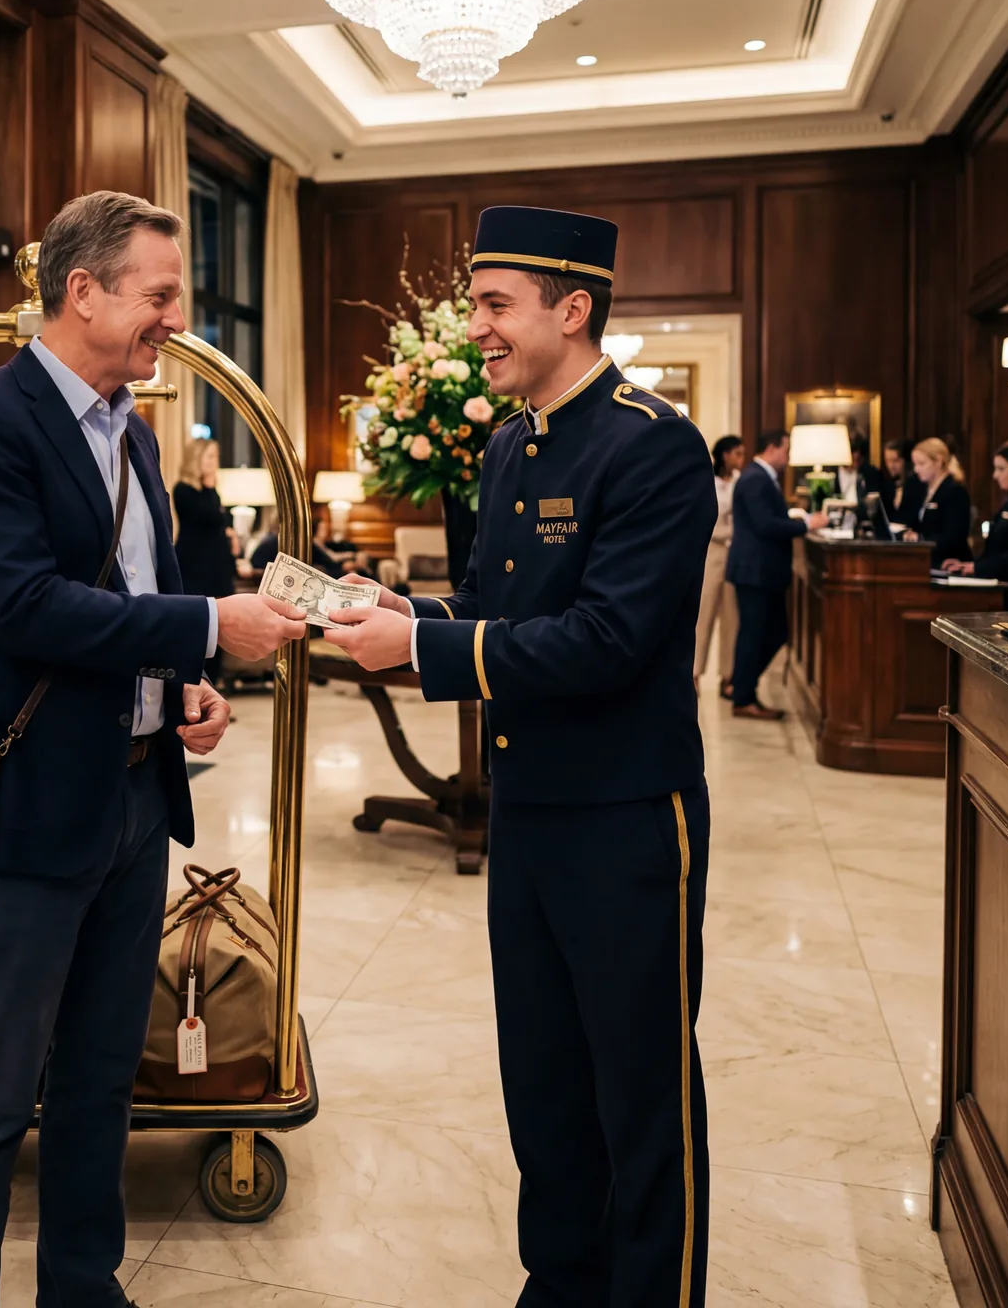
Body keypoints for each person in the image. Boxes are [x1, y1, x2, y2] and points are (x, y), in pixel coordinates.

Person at [322, 204, 718, 1307]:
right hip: (529, 807)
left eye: (496, 307)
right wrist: (405, 611)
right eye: (475, 308)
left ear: (572, 307)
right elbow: (502, 604)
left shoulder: (651, 443)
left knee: (638, 1094)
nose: (477, 331)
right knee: (542, 1080)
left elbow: (607, 637)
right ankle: (561, 1283)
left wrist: (428, 645)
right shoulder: (507, 440)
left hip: (627, 815)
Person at [0, 190, 305, 1308]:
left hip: (135, 805)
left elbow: (144, 593)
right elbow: (25, 607)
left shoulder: (132, 429)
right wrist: (203, 627)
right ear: (80, 290)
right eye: (159, 295)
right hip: (25, 808)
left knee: (98, 1081)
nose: (173, 319)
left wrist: (188, 680)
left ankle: (82, 1287)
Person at [726, 430, 828, 720]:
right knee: (756, 635)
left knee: (771, 632)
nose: (789, 455)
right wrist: (806, 524)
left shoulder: (759, 476)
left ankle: (742, 686)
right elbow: (765, 525)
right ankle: (743, 695)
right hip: (755, 570)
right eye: (786, 449)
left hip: (760, 570)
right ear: (772, 448)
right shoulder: (756, 477)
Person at [941, 440, 1008, 609]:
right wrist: (971, 564)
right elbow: (996, 548)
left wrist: (978, 568)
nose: (995, 475)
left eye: (1001, 469)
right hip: (1002, 587)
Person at [694, 435, 743, 700]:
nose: (740, 459)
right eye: (737, 453)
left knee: (732, 618)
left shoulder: (740, 483)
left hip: (734, 554)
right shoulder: (708, 482)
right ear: (724, 454)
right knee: (704, 616)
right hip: (712, 554)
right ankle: (694, 674)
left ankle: (728, 675)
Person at [172, 438, 238, 598]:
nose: (215, 461)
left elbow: (222, 519)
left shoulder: (211, 490)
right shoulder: (183, 489)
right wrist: (210, 485)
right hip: (195, 561)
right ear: (196, 458)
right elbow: (209, 516)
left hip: (217, 561)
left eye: (216, 456)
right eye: (210, 456)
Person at [902, 436, 972, 566]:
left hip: (949, 562)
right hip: (928, 561)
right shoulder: (922, 490)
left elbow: (955, 535)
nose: (916, 469)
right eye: (915, 464)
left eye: (921, 464)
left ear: (938, 462)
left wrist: (921, 539)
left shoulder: (954, 491)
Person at [833, 432, 885, 512]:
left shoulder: (871, 473)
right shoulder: (832, 473)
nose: (856, 456)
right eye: (852, 452)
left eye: (858, 453)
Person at [884, 438, 924, 526]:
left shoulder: (916, 484)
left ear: (906, 460)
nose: (891, 466)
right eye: (887, 461)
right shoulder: (890, 484)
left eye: (895, 461)